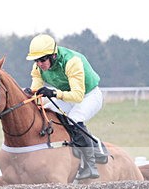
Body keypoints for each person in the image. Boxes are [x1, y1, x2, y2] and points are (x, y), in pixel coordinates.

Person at [25, 33, 102, 180]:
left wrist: (53, 93)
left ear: (53, 55)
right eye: (36, 60)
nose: (39, 64)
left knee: (74, 118)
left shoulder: (71, 62)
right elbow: (36, 90)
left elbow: (78, 96)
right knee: (46, 110)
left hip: (89, 95)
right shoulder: (37, 68)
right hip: (68, 95)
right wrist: (30, 94)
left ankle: (90, 164)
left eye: (42, 59)